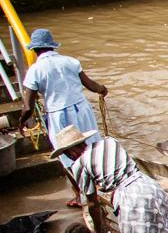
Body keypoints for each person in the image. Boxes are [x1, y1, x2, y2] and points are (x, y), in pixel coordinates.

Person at [18, 28, 108, 208]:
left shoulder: (35, 70)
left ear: (34, 50)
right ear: (52, 46)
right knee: (91, 147)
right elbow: (90, 84)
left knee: (67, 155)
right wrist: (102, 90)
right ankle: (100, 183)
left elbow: (28, 106)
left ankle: (80, 194)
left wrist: (22, 123)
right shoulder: (71, 62)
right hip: (82, 110)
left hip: (59, 115)